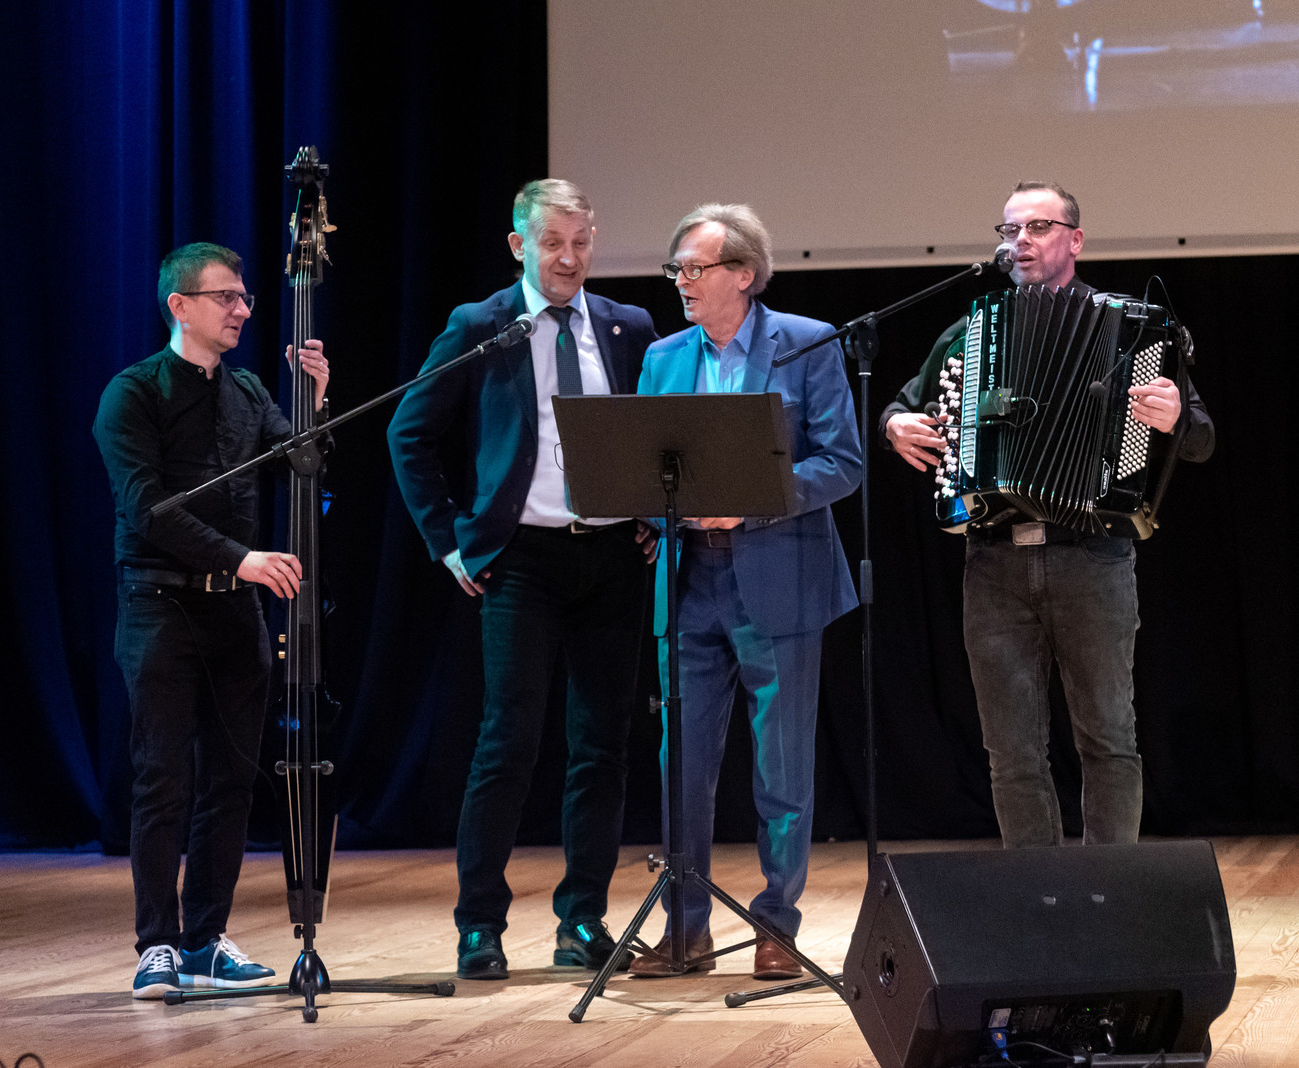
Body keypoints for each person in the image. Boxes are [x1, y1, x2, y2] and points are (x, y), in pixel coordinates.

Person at [880, 181, 1215, 849]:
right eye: (1010, 231)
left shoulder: (1132, 330)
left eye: (1037, 227)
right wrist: (896, 426)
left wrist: (1176, 415)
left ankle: (1110, 891)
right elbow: (904, 405)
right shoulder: (971, 333)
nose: (1020, 242)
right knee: (1011, 752)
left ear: (1075, 240)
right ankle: (1038, 895)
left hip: (1092, 556)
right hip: (994, 562)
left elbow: (1201, 438)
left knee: (1108, 739)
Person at [387, 179, 659, 980]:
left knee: (601, 746)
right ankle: (480, 925)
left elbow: (653, 434)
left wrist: (650, 512)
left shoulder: (629, 326)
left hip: (611, 561)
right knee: (507, 741)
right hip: (522, 562)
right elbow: (409, 432)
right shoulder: (482, 326)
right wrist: (450, 542)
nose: (568, 258)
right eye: (552, 243)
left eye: (580, 242)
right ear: (519, 246)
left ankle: (583, 920)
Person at [93, 242, 331, 998]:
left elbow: (305, 466)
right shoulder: (132, 394)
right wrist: (244, 558)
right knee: (163, 779)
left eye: (245, 297)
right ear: (180, 306)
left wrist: (315, 402)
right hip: (159, 605)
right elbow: (149, 510)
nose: (242, 310)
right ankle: (157, 945)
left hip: (234, 610)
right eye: (226, 297)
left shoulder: (249, 390)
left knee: (231, 783)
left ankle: (203, 940)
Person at [630, 204, 861, 980]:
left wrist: (753, 502)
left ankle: (776, 926)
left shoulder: (807, 343)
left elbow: (842, 462)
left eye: (694, 268)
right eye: (676, 269)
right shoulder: (663, 358)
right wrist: (648, 503)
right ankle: (685, 930)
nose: (681, 282)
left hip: (779, 575)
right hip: (688, 579)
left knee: (782, 771)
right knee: (681, 767)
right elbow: (641, 465)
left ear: (743, 274)